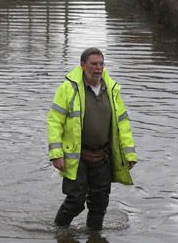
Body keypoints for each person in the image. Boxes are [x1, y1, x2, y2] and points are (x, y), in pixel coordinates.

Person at [47, 47, 137, 231]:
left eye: (101, 64)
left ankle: (94, 236)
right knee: (76, 200)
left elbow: (123, 124)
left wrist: (129, 154)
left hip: (102, 156)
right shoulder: (68, 88)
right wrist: (56, 154)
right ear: (82, 65)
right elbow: (54, 121)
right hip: (77, 156)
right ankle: (58, 232)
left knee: (100, 202)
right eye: (93, 64)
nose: (98, 68)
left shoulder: (112, 90)